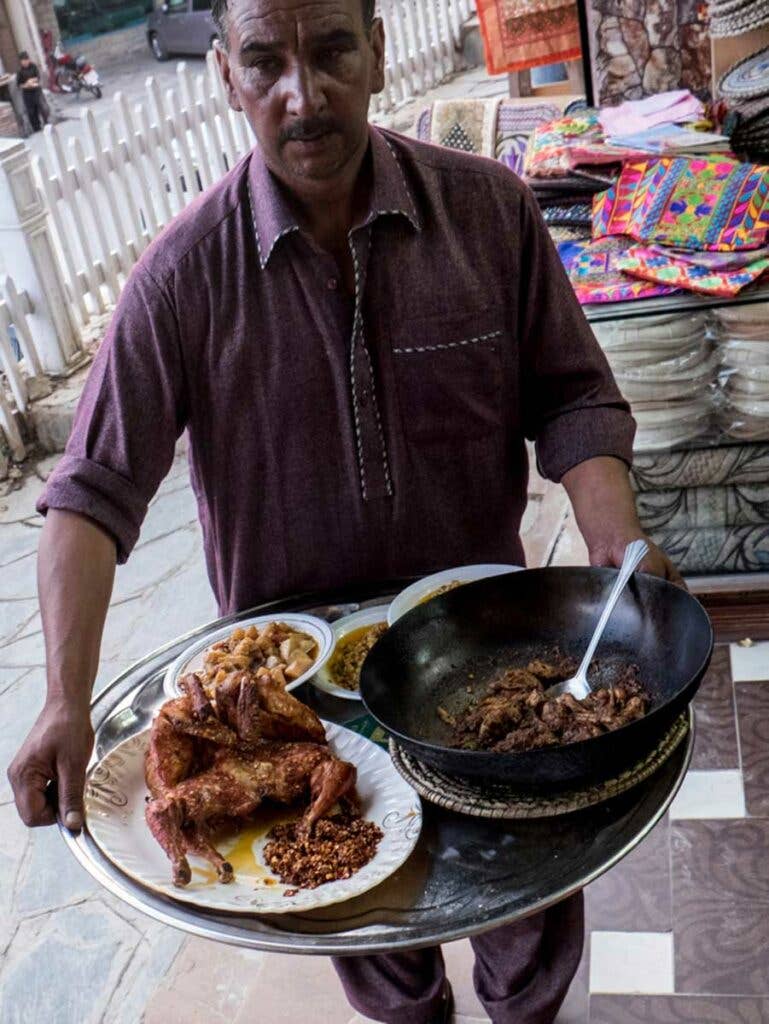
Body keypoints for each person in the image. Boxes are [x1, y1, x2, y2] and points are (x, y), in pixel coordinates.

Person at [7, 0, 682, 1021]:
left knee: (529, 920)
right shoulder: (180, 279)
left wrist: (615, 543)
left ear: (374, 45)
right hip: (306, 714)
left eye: (329, 52)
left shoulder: (487, 213)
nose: (303, 95)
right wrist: (64, 696)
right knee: (365, 926)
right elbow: (92, 495)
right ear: (229, 76)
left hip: (494, 665)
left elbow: (574, 396)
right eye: (266, 62)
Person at [16, 50, 44, 133]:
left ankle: (44, 124)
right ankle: (36, 128)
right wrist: (26, 84)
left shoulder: (33, 66)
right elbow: (19, 85)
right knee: (31, 111)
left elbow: (38, 76)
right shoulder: (20, 71)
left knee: (40, 107)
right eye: (23, 61)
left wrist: (31, 80)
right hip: (27, 93)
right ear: (21, 62)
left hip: (36, 90)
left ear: (28, 59)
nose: (25, 62)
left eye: (26, 60)